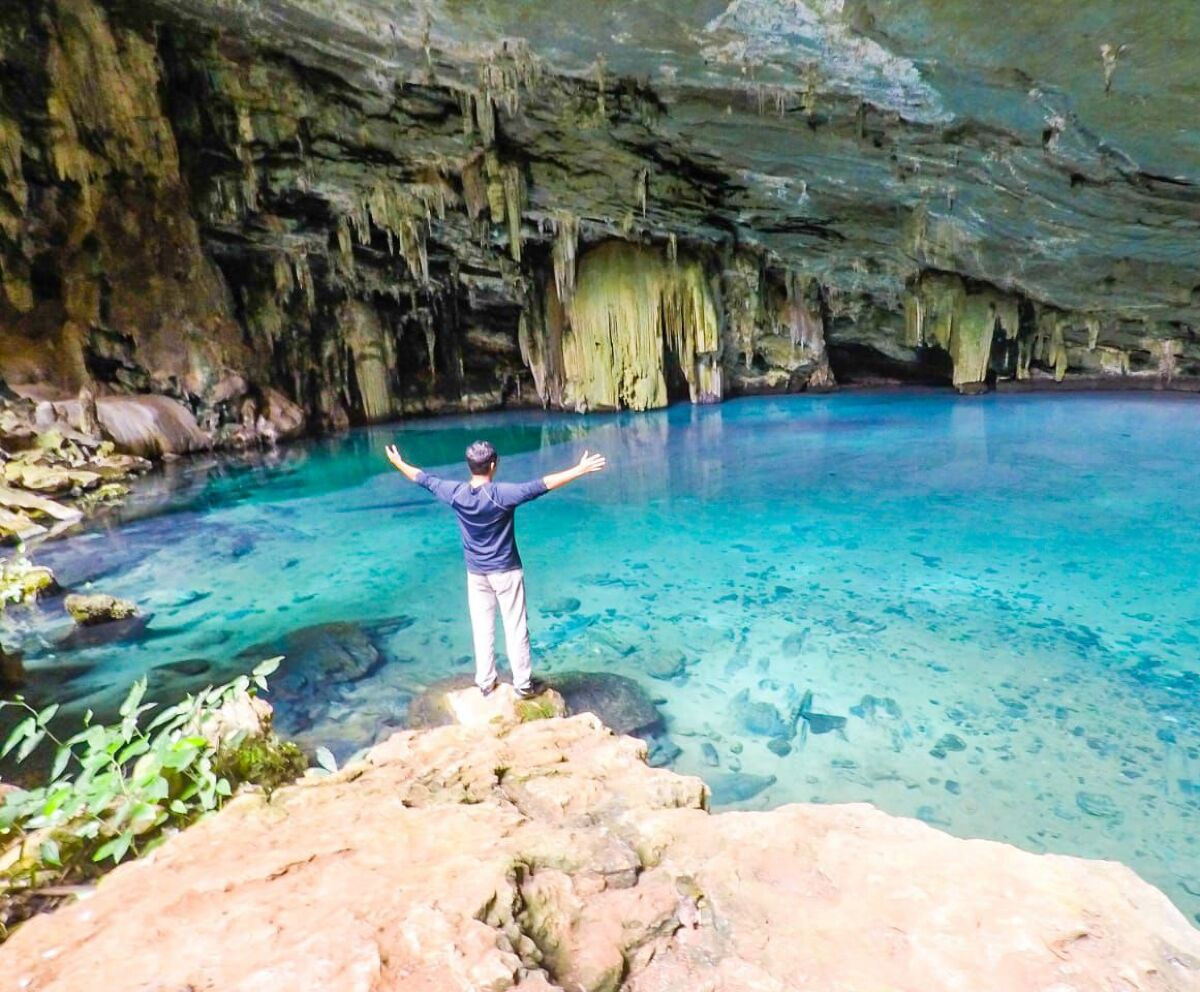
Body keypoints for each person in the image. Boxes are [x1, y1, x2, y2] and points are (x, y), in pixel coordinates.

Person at [384, 439, 606, 698]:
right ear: (493, 465)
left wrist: (398, 462)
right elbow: (541, 485)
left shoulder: (454, 492)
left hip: (476, 574)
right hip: (506, 571)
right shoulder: (502, 495)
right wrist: (579, 470)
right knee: (515, 627)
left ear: (470, 467)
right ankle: (523, 684)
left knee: (482, 627)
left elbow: (422, 478)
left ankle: (486, 682)